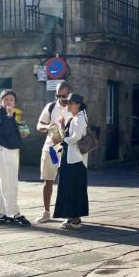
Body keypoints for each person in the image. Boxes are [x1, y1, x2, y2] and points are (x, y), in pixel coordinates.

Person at [0, 89, 31, 226]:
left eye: (12, 100)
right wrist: (9, 116)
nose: (9, 102)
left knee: (3, 182)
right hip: (3, 151)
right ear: (1, 101)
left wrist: (23, 129)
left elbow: (20, 132)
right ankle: (15, 213)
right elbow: (4, 132)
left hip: (12, 151)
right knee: (10, 183)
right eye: (6, 99)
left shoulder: (15, 114)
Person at [35, 82, 71, 223]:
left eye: (64, 95)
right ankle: (46, 212)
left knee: (66, 181)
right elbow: (39, 125)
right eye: (59, 95)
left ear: (69, 93)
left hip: (66, 149)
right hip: (51, 149)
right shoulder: (50, 107)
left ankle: (69, 213)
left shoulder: (73, 107)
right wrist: (47, 127)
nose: (62, 98)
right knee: (48, 180)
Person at [53, 93, 89, 230]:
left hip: (75, 160)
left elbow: (75, 137)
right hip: (70, 158)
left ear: (78, 104)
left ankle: (75, 219)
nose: (68, 105)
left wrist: (62, 140)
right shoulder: (75, 118)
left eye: (71, 103)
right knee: (70, 188)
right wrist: (62, 127)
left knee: (73, 188)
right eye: (67, 103)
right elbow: (69, 135)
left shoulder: (80, 118)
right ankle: (72, 217)